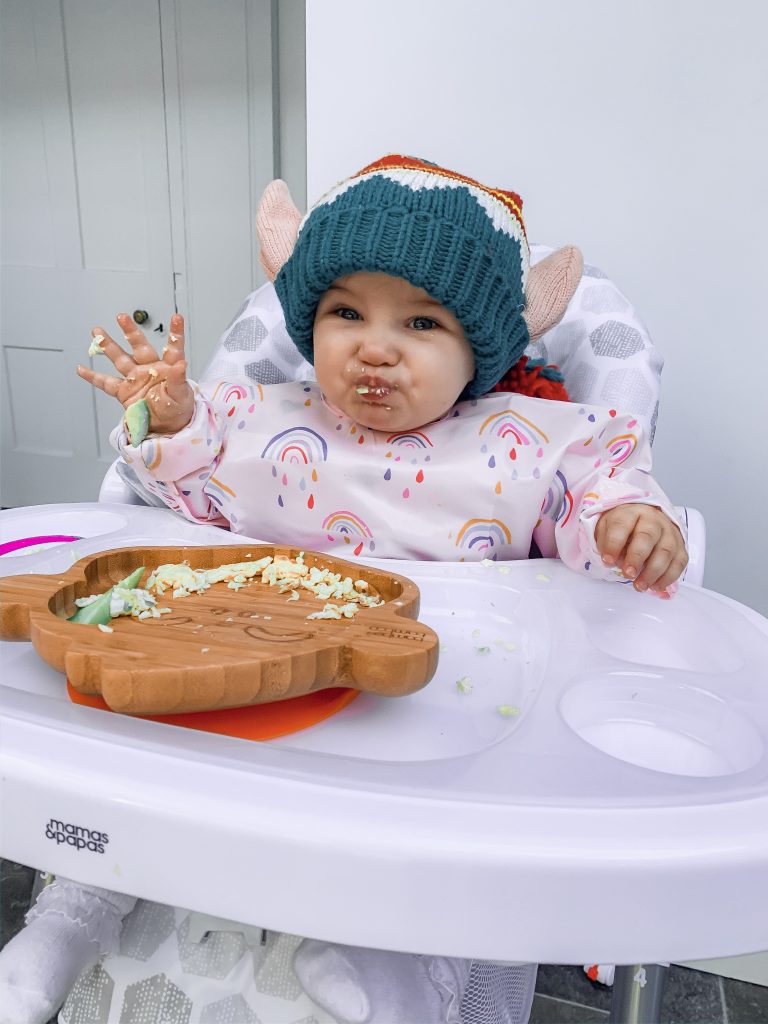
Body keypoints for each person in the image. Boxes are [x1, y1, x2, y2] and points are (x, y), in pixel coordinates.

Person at [0, 154, 687, 1023]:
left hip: (419, 697)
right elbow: (188, 486)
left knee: (441, 826)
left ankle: (398, 963)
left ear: (481, 346)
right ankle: (76, 911)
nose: (374, 344)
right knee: (124, 752)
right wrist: (171, 418)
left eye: (423, 323)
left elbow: (599, 495)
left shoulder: (531, 439)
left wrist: (629, 527)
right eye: (345, 312)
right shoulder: (267, 416)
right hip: (254, 672)